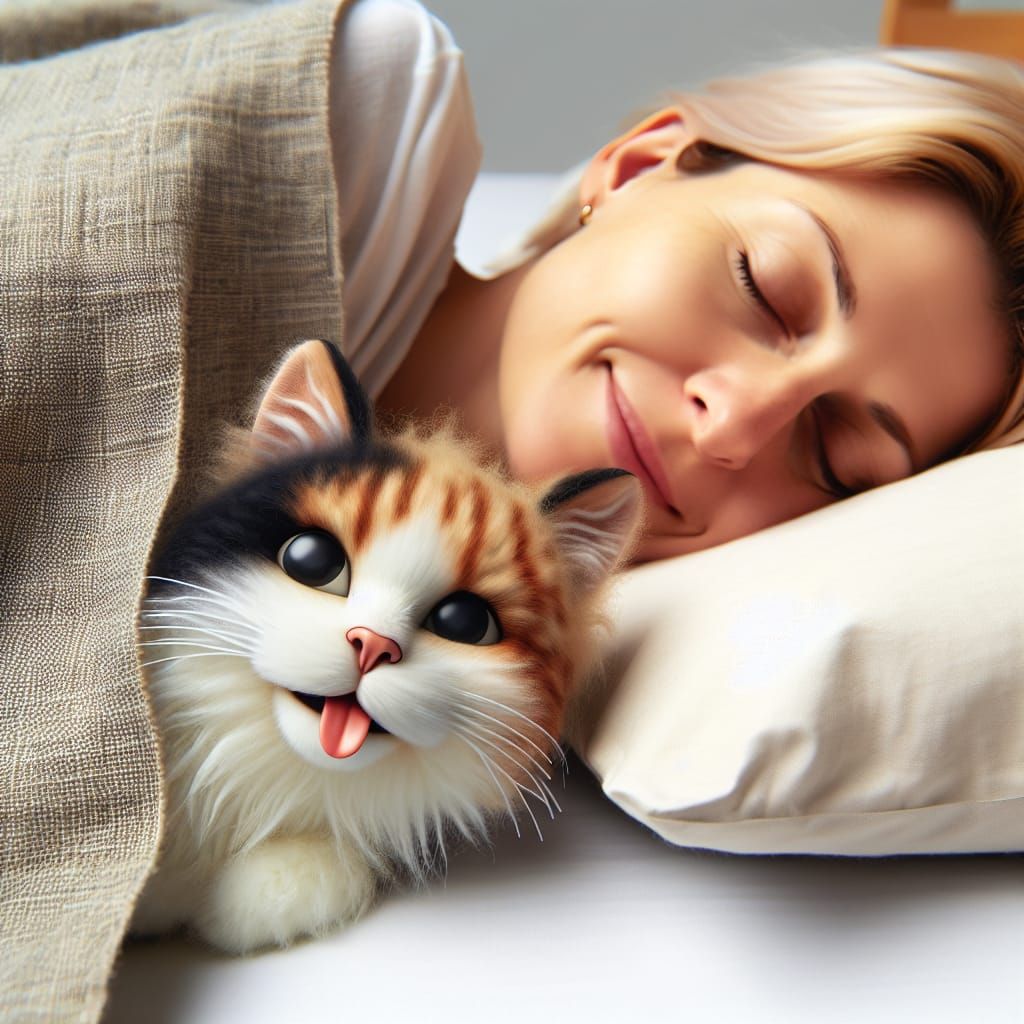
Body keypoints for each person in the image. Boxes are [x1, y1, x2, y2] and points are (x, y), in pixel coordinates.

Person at [343, 0, 1024, 564]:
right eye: (764, 289)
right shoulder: (351, 127)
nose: (731, 424)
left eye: (836, 458)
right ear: (638, 166)